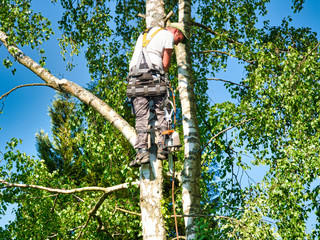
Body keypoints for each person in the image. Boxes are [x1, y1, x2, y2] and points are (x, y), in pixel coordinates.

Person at [127, 22, 188, 167]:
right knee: (163, 112)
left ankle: (142, 152)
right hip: (154, 78)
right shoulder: (167, 35)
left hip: (135, 79)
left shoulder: (144, 34)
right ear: (176, 32)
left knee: (141, 116)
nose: (177, 44)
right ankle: (163, 147)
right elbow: (165, 65)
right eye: (178, 40)